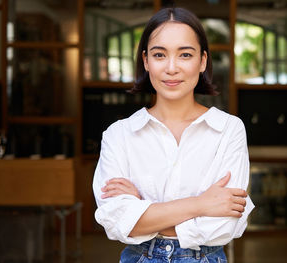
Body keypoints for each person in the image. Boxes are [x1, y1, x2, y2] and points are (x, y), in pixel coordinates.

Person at [92, 8, 254, 263]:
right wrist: (201, 204)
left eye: (185, 55)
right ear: (146, 61)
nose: (171, 68)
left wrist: (143, 211)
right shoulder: (119, 135)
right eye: (159, 54)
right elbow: (116, 221)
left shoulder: (228, 130)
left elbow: (225, 224)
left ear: (202, 61)